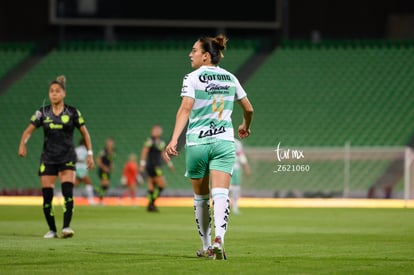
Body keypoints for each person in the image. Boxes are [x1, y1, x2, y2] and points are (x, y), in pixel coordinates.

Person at [164, 34, 254, 260]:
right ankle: (219, 239)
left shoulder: (191, 78)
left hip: (197, 143)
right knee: (221, 193)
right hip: (224, 142)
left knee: (201, 198)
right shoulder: (231, 78)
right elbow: (249, 109)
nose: (190, 54)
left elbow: (185, 108)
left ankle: (206, 246)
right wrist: (245, 125)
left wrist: (174, 139)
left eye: (194, 50)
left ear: (205, 56)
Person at [18, 75, 94, 239]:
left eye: (57, 91)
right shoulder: (42, 112)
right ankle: (52, 230)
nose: (54, 94)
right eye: (51, 91)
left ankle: (66, 227)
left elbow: (85, 134)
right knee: (47, 197)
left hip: (67, 157)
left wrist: (90, 154)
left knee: (68, 192)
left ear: (64, 94)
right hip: (48, 159)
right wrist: (22, 144)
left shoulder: (72, 112)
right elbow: (27, 131)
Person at [139, 124, 175, 212]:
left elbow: (163, 153)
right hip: (153, 166)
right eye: (156, 130)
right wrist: (142, 164)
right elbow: (144, 151)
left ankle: (150, 204)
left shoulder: (161, 141)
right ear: (152, 131)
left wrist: (169, 163)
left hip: (153, 166)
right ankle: (152, 203)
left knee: (151, 186)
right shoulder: (150, 140)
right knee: (162, 185)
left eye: (159, 130)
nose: (157, 132)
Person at [230, 138, 251, 215]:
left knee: (236, 188)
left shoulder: (237, 143)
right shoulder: (221, 140)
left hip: (236, 168)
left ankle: (235, 207)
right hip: (225, 167)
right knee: (226, 188)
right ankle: (223, 207)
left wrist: (246, 167)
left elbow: (240, 155)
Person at [74, 138, 96, 205]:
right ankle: (91, 201)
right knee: (89, 183)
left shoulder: (76, 150)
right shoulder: (87, 150)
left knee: (74, 185)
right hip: (82, 169)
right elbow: (88, 160)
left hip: (76, 168)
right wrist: (90, 166)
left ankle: (62, 196)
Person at [96, 137, 116, 205]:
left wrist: (112, 167)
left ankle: (99, 196)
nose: (110, 144)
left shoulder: (113, 151)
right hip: (103, 170)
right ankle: (99, 198)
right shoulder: (104, 151)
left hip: (107, 170)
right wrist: (104, 167)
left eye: (111, 142)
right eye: (109, 142)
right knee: (105, 184)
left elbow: (111, 160)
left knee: (106, 186)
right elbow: (98, 160)